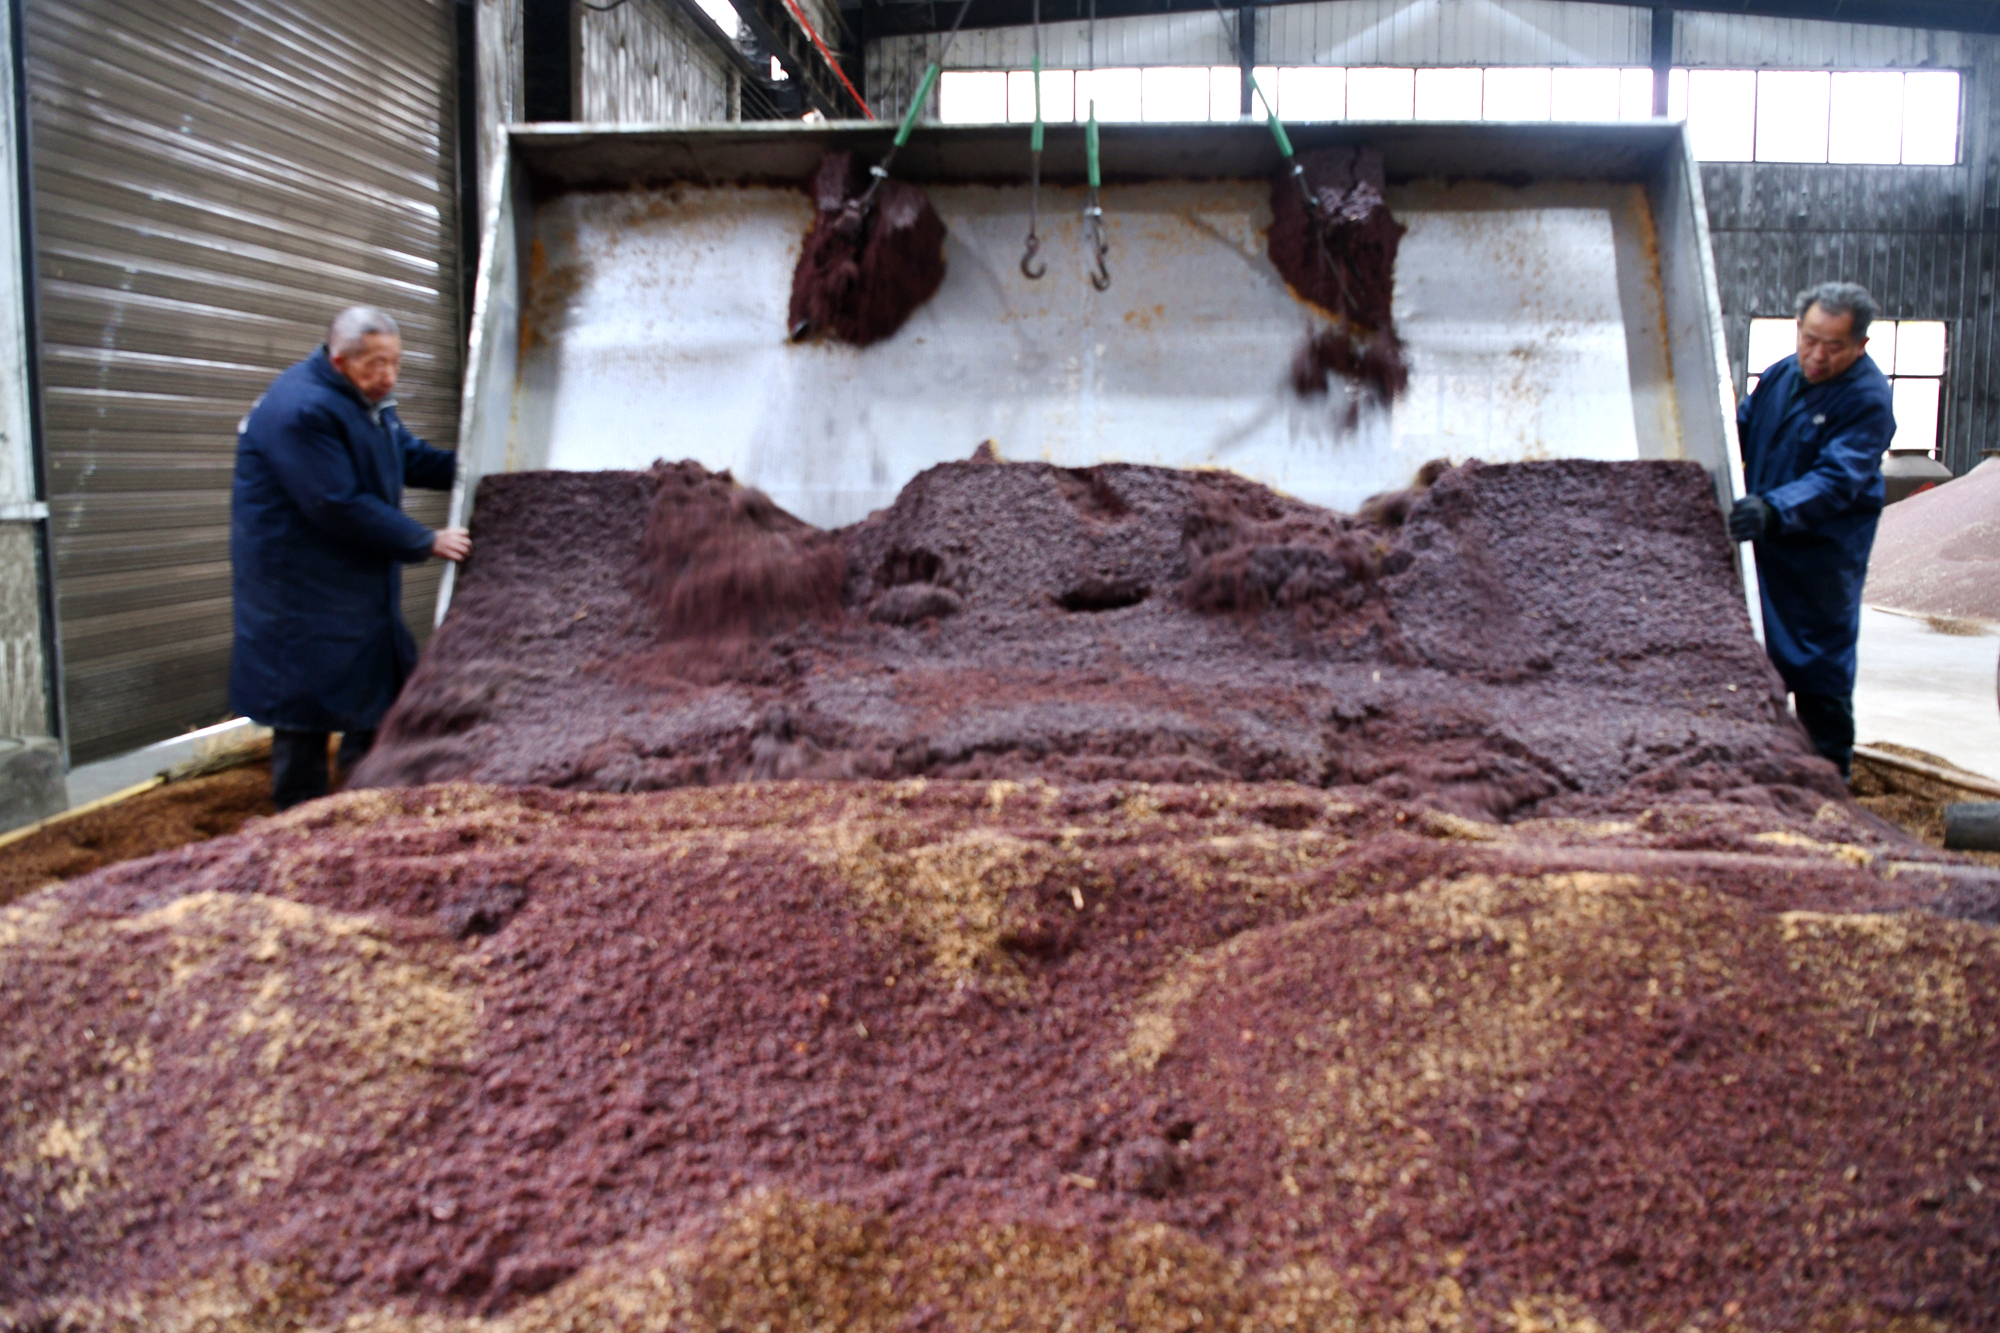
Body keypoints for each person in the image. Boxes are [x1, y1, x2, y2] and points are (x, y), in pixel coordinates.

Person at [229, 307, 470, 810]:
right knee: (303, 703)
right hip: (298, 583)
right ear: (340, 360)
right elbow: (335, 503)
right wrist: (425, 540)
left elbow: (407, 455)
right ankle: (298, 810)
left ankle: (367, 789)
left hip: (351, 579)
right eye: (376, 364)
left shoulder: (366, 401)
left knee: (379, 679)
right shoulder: (302, 410)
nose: (389, 376)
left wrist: (475, 467)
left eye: (395, 362)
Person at [1729, 281, 1896, 782]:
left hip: (1822, 555)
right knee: (1759, 657)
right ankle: (1768, 771)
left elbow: (1837, 478)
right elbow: (1740, 429)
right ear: (1798, 329)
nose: (1817, 356)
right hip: (1767, 542)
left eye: (1834, 346)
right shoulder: (1782, 374)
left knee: (1819, 663)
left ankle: (1829, 779)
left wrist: (1773, 508)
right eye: (1810, 340)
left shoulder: (1867, 398)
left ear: (1861, 345)